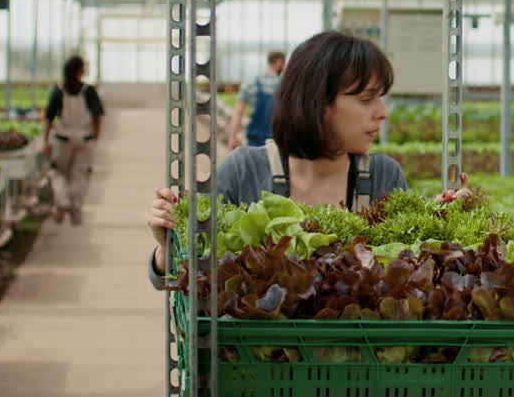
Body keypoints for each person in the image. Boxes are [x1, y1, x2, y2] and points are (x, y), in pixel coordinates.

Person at [146, 30, 444, 289]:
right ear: (318, 102)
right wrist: (167, 248)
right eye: (366, 99)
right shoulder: (244, 171)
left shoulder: (383, 176)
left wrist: (446, 229)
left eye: (381, 98)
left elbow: (410, 279)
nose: (383, 112)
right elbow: (186, 280)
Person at [43, 55, 105, 226]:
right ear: (79, 71)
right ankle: (76, 210)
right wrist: (96, 136)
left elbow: (49, 118)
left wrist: (45, 140)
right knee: (80, 174)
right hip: (84, 139)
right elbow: (97, 116)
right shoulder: (88, 91)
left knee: (58, 172)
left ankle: (62, 201)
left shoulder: (58, 91)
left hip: (62, 139)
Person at [226, 50, 286, 149]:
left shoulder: (250, 84)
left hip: (254, 143)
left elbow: (238, 112)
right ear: (279, 62)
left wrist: (233, 137)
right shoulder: (285, 85)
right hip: (278, 144)